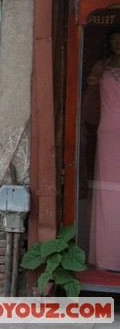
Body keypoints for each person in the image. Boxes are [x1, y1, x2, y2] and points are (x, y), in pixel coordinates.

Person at [85, 27, 120, 271]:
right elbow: (89, 101)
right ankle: (108, 257)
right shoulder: (101, 67)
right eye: (114, 39)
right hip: (108, 132)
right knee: (109, 193)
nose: (117, 43)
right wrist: (85, 125)